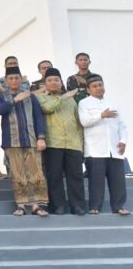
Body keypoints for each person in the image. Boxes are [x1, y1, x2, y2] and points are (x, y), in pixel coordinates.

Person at [0, 66, 49, 217]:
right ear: (6, 81)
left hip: (31, 139)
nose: (14, 81)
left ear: (21, 79)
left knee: (36, 172)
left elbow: (38, 117)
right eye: (10, 78)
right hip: (12, 141)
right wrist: (14, 100)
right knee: (18, 174)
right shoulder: (1, 97)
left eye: (16, 78)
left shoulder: (31, 96)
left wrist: (41, 137)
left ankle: (37, 205)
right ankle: (21, 205)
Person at [37, 68, 86, 215]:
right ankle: (58, 206)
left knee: (76, 176)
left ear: (61, 82)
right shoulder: (42, 98)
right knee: (55, 176)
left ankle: (77, 206)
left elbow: (78, 123)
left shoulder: (71, 100)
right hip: (53, 143)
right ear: (45, 84)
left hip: (73, 143)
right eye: (50, 80)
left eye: (56, 80)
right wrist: (64, 97)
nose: (53, 83)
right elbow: (48, 108)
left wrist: (81, 144)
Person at [78, 74, 129, 216]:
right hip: (95, 149)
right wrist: (101, 115)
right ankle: (95, 207)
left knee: (118, 181)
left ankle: (118, 206)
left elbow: (122, 125)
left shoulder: (112, 103)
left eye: (100, 85)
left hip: (114, 149)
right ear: (88, 90)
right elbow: (84, 122)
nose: (98, 88)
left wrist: (123, 141)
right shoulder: (84, 103)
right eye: (94, 86)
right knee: (96, 181)